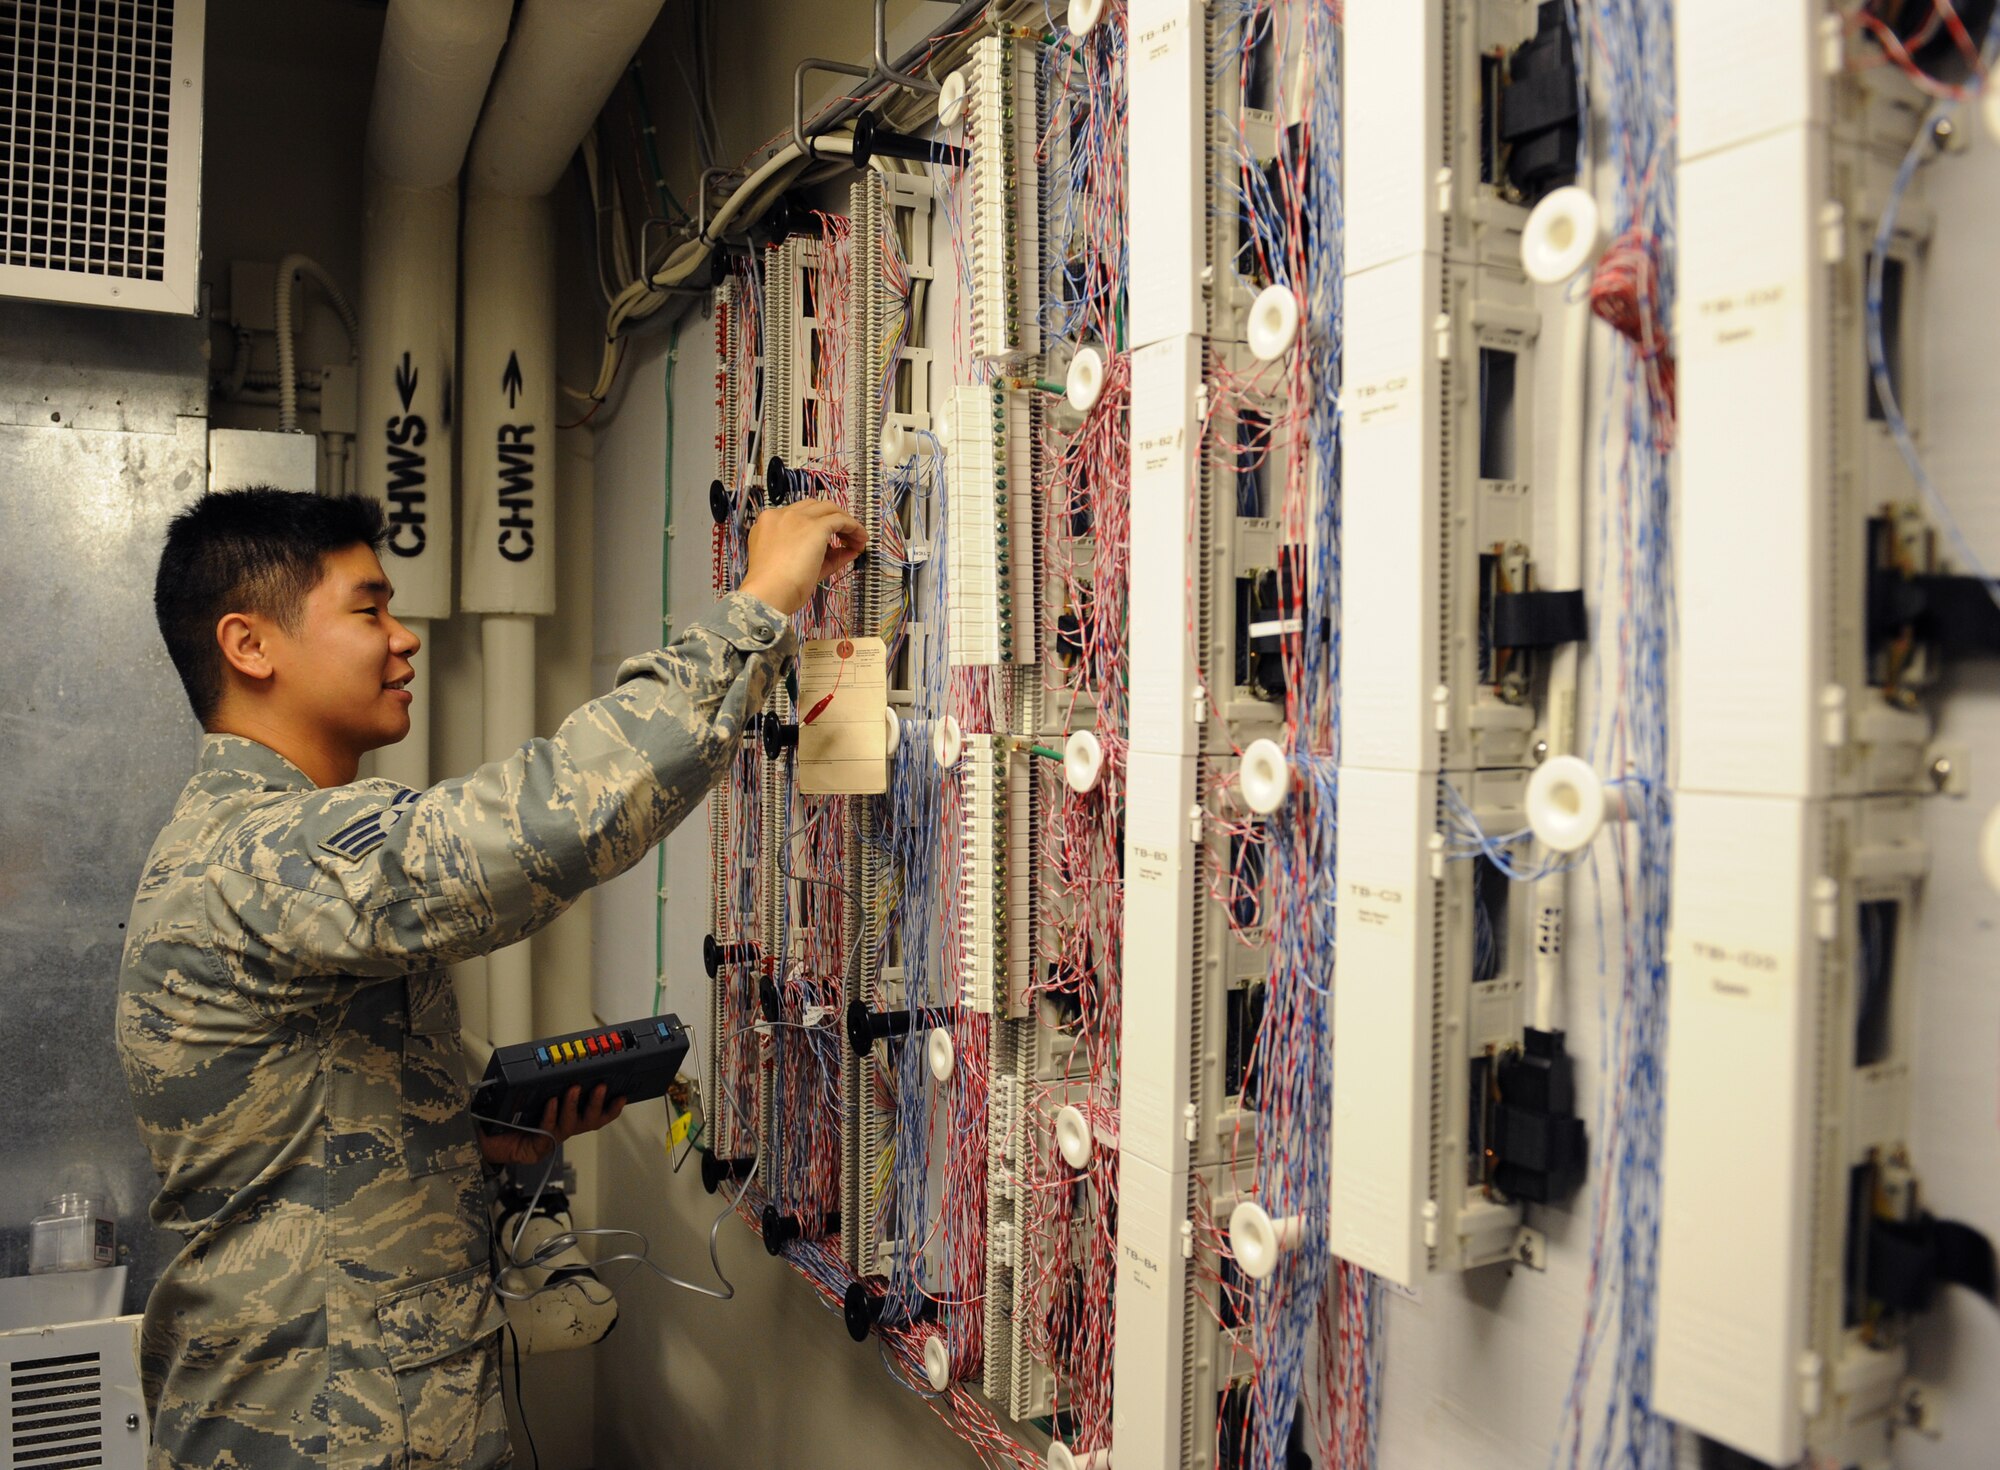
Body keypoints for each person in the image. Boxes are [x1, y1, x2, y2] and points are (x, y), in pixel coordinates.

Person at [116, 487, 863, 1469]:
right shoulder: (257, 854)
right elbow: (556, 819)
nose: (404, 638)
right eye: (368, 608)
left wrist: (471, 1150)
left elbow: (295, 1157)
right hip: (314, 1431)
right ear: (250, 645)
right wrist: (763, 597)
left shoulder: (246, 847)